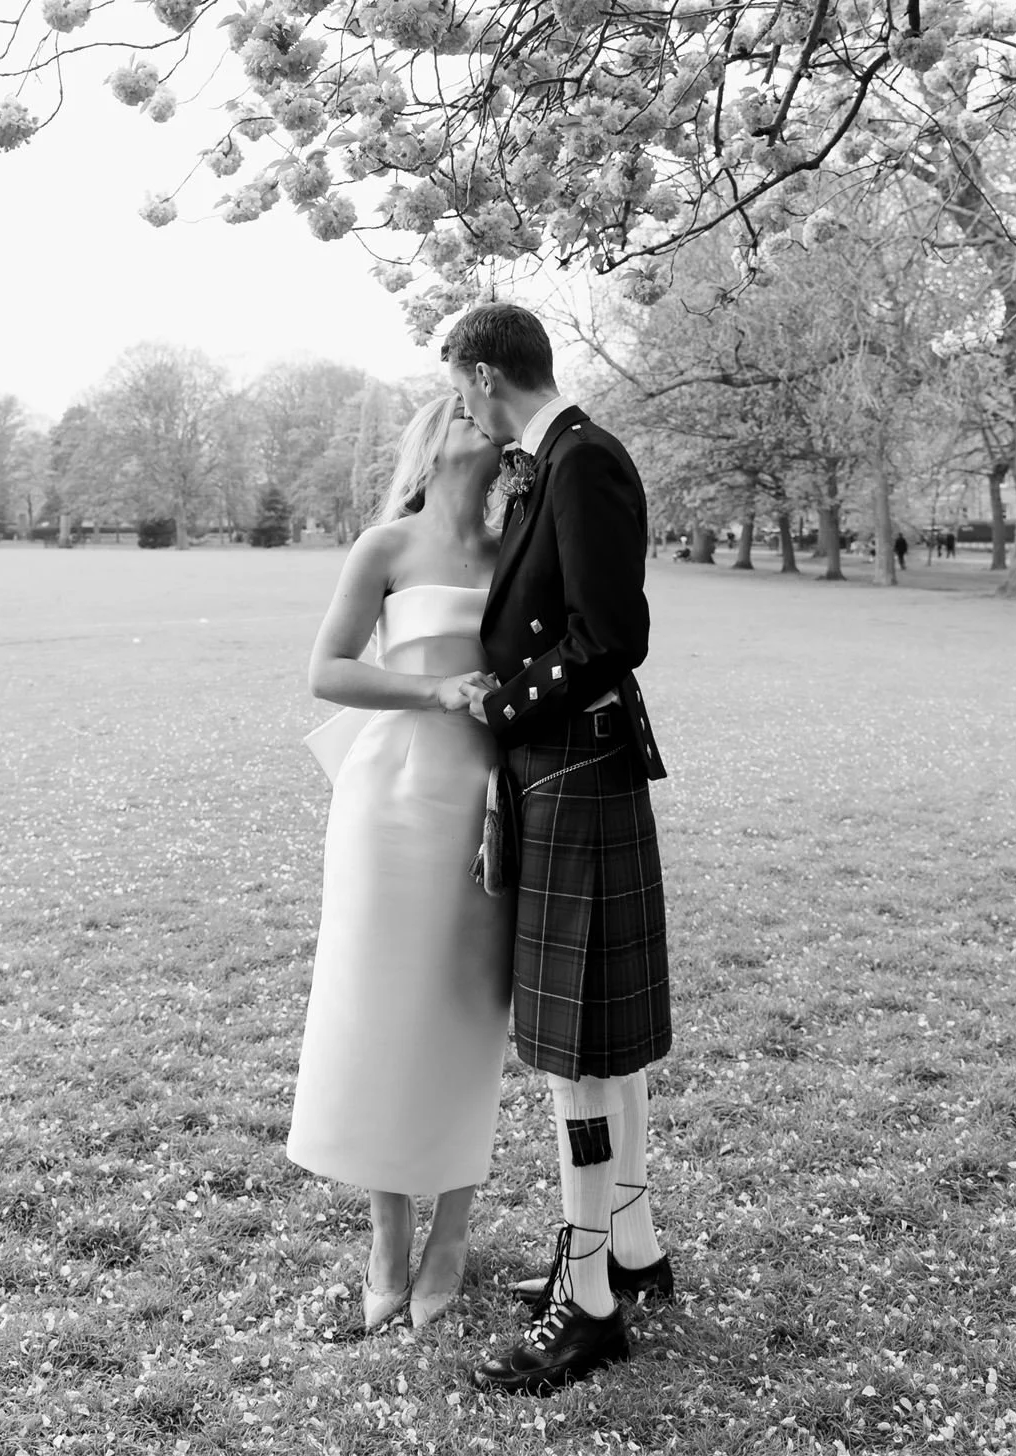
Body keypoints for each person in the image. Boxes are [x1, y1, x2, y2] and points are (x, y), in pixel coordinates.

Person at [441, 305, 672, 1398]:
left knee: (576, 1050)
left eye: (460, 385)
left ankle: (588, 1303)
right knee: (597, 1046)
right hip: (563, 774)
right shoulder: (551, 461)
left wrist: (504, 699)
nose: (460, 405)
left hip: (574, 768)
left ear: (487, 375)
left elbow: (610, 632)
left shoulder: (584, 460)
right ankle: (630, 1246)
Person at [286, 395, 514, 1330]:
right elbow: (328, 671)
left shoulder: (518, 552)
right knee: (379, 1009)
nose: (478, 414)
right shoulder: (384, 545)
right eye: (460, 405)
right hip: (388, 796)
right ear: (433, 437)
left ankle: (452, 1232)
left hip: (489, 801)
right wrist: (436, 689)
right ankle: (386, 1237)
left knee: (468, 1006)